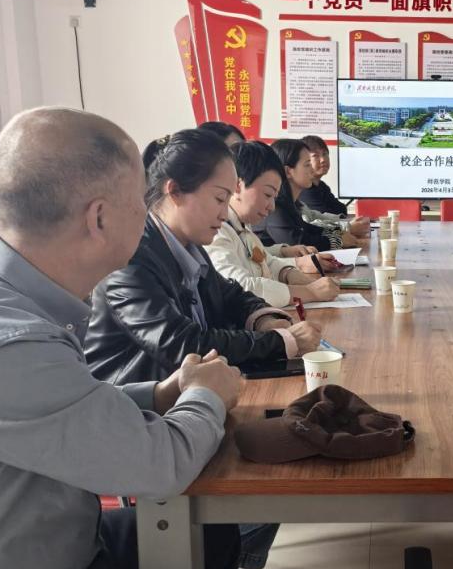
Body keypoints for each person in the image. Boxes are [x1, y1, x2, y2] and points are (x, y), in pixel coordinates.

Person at [0, 107, 246, 569]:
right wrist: (208, 396)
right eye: (139, 201)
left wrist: (163, 392)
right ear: (99, 217)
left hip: (51, 542)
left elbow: (66, 404)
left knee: (207, 536)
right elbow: (159, 467)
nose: (149, 215)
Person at [84, 128, 322, 385]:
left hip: (195, 392)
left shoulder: (189, 246)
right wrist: (280, 341)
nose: (224, 213)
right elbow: (181, 344)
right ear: (175, 191)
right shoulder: (130, 258)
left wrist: (264, 319)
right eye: (219, 199)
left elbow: (230, 294)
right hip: (136, 403)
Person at [206, 140, 340, 307]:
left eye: (274, 197)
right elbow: (242, 287)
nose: (272, 207)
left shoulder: (241, 225)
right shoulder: (216, 231)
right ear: (237, 186)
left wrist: (288, 273)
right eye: (267, 195)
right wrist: (310, 292)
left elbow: (266, 260)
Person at [261, 138, 368, 250]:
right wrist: (338, 239)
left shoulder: (292, 204)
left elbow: (309, 229)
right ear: (288, 171)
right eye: (307, 165)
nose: (312, 170)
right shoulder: (274, 207)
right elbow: (297, 242)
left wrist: (339, 233)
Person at [299, 135, 349, 216]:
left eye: (325, 154)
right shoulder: (303, 189)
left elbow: (342, 209)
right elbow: (323, 215)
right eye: (315, 156)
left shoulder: (322, 186)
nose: (323, 160)